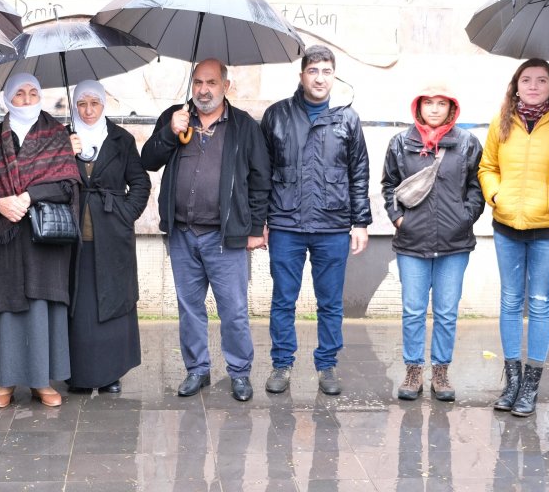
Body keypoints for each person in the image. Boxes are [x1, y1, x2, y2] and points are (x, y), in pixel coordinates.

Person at [141, 58, 271, 402]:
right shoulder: (176, 117)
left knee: (234, 309)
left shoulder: (244, 126)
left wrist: (256, 228)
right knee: (189, 307)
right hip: (183, 233)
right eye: (198, 82)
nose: (203, 89)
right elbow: (148, 159)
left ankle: (240, 372)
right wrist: (170, 131)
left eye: (211, 83)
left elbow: (260, 181)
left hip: (225, 237)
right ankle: (197, 368)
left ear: (225, 87)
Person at [260, 45, 371, 396]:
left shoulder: (347, 119)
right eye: (313, 71)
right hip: (285, 224)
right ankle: (281, 364)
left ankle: (327, 365)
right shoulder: (276, 115)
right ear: (302, 75)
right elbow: (261, 172)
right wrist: (259, 220)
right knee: (283, 299)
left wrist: (360, 222)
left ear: (333, 76)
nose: (319, 78)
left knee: (330, 302)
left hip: (333, 225)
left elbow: (359, 173)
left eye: (326, 71)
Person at [0, 73, 79, 408]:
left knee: (41, 308)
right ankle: (5, 382)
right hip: (2, 238)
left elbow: (67, 186)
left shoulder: (57, 135)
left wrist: (29, 196)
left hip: (43, 239)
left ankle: (42, 382)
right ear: (7, 99)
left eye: (33, 92)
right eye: (19, 93)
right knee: (6, 311)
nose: (27, 99)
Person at [478, 59, 549, 417]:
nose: (533, 86)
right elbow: (487, 166)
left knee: (538, 302)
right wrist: (495, 195)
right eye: (526, 80)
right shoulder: (501, 121)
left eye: (541, 80)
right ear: (516, 85)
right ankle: (513, 383)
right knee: (509, 301)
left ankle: (531, 387)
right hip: (507, 224)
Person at [381, 81, 484, 402]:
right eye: (429, 102)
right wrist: (399, 219)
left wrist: (465, 217)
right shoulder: (401, 143)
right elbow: (389, 185)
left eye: (442, 103)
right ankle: (413, 371)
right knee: (412, 310)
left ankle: (440, 371)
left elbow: (476, 187)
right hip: (412, 242)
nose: (435, 109)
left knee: (446, 311)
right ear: (418, 106)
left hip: (454, 244)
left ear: (452, 108)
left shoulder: (467, 144)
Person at [64, 80, 151, 393]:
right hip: (71, 239)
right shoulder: (63, 138)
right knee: (79, 307)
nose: (88, 111)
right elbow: (45, 176)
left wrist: (125, 215)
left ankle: (111, 372)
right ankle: (78, 374)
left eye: (94, 103)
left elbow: (140, 183)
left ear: (103, 104)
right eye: (82, 104)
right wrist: (65, 153)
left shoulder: (121, 139)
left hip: (112, 235)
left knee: (112, 302)